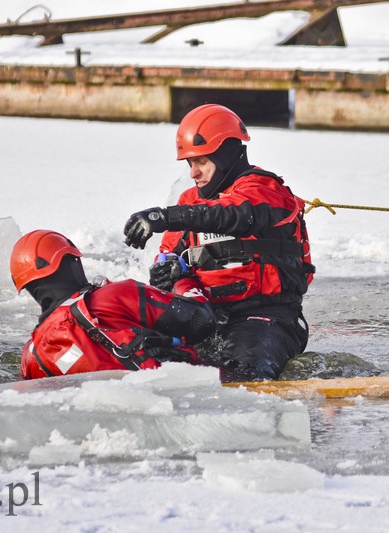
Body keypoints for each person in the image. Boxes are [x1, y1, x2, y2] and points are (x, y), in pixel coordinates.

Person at [123, 104, 314, 382]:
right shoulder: (190, 201)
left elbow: (233, 214)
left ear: (225, 155)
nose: (194, 173)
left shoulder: (266, 191)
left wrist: (164, 217)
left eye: (202, 162)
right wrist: (169, 274)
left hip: (266, 318)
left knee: (241, 374)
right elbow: (168, 257)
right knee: (143, 352)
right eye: (190, 164)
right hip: (204, 318)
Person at [10, 229, 216, 379]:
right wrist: (181, 279)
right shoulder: (111, 296)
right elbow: (202, 321)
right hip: (169, 402)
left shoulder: (30, 357)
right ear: (71, 262)